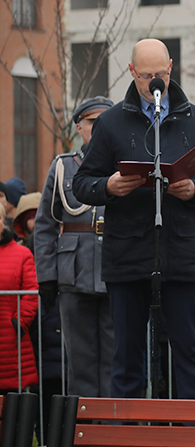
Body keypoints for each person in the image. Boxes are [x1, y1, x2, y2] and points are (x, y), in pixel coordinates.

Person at [72, 38, 195, 400]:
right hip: (127, 254)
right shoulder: (110, 123)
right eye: (146, 77)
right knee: (126, 354)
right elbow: (82, 183)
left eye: (160, 75)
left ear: (171, 68)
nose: (154, 83)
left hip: (181, 252)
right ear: (131, 72)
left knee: (189, 351)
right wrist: (109, 186)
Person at [33, 96, 115, 399]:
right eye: (93, 122)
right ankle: (83, 432)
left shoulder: (126, 167)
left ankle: (112, 431)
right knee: (79, 360)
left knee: (114, 357)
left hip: (114, 271)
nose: (99, 128)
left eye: (106, 122)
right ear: (79, 127)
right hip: (73, 273)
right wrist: (47, 275)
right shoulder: (63, 167)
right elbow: (45, 225)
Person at [0, 204, 39, 394]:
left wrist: (18, 323)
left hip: (12, 343)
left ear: (2, 222)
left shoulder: (22, 254)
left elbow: (31, 293)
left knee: (13, 412)